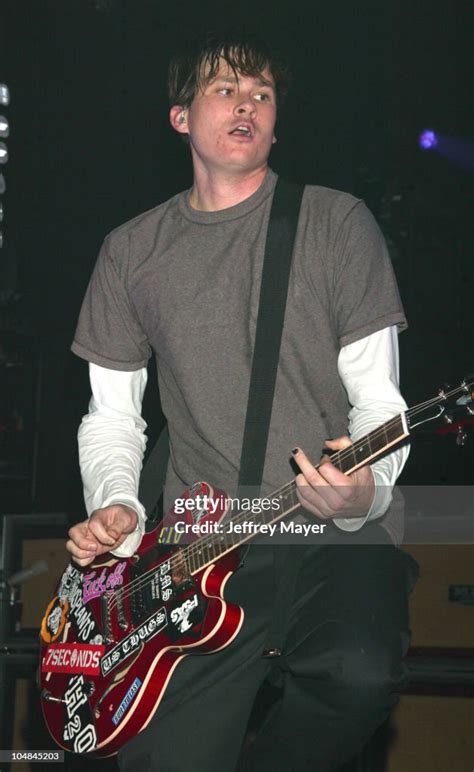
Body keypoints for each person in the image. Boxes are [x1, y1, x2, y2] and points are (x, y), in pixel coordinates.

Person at [67, 30, 418, 772]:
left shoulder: (335, 223)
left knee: (358, 675)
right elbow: (112, 415)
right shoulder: (132, 251)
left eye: (262, 93)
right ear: (180, 117)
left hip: (324, 531)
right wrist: (117, 505)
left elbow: (380, 401)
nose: (247, 104)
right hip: (199, 546)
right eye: (225, 89)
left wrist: (364, 492)